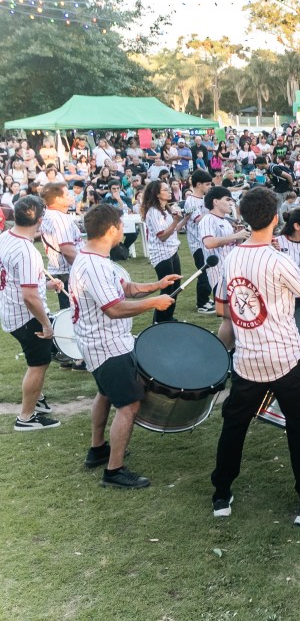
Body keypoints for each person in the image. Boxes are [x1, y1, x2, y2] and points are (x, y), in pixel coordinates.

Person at [211, 187, 300, 526]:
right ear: (275, 218)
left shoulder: (233, 256)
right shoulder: (278, 260)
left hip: (247, 359)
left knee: (234, 426)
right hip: (285, 358)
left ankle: (221, 493)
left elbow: (223, 308)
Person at [71, 204, 179, 487]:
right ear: (111, 230)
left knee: (104, 394)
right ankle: (114, 470)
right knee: (129, 405)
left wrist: (157, 285)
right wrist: (154, 303)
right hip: (107, 345)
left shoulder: (96, 258)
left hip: (102, 343)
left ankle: (97, 450)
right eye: (120, 225)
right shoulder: (93, 265)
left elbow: (124, 288)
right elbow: (114, 308)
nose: (123, 230)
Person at [1, 196, 64, 430]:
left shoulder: (5, 237)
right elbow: (29, 297)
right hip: (25, 316)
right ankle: (25, 418)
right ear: (39, 220)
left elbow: (18, 281)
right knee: (38, 364)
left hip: (10, 311)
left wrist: (45, 284)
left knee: (37, 361)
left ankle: (37, 399)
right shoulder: (27, 252)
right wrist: (46, 324)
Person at [141, 180, 186, 323]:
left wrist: (184, 220)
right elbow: (162, 236)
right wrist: (175, 221)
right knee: (168, 289)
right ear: (157, 194)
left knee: (175, 287)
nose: (170, 191)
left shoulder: (165, 210)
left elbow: (172, 232)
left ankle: (167, 318)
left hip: (172, 251)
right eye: (166, 190)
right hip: (161, 254)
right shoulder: (153, 212)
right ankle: (160, 321)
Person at [39, 182, 82, 312]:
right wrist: (85, 267)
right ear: (58, 199)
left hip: (61, 271)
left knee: (70, 312)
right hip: (69, 272)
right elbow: (68, 251)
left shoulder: (48, 214)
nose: (71, 196)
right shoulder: (60, 218)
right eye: (67, 194)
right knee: (75, 313)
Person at [200, 186, 249, 295]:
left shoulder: (226, 221)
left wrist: (239, 237)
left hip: (231, 269)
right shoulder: (208, 219)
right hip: (219, 273)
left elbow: (233, 245)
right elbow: (209, 243)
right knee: (224, 310)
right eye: (227, 199)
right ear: (216, 201)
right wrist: (235, 236)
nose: (231, 203)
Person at [183, 170, 215, 314]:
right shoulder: (191, 200)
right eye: (207, 184)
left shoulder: (204, 199)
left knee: (209, 272)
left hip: (206, 242)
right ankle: (201, 303)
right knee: (203, 273)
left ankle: (206, 299)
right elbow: (196, 219)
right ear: (198, 184)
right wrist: (213, 212)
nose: (209, 186)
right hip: (197, 243)